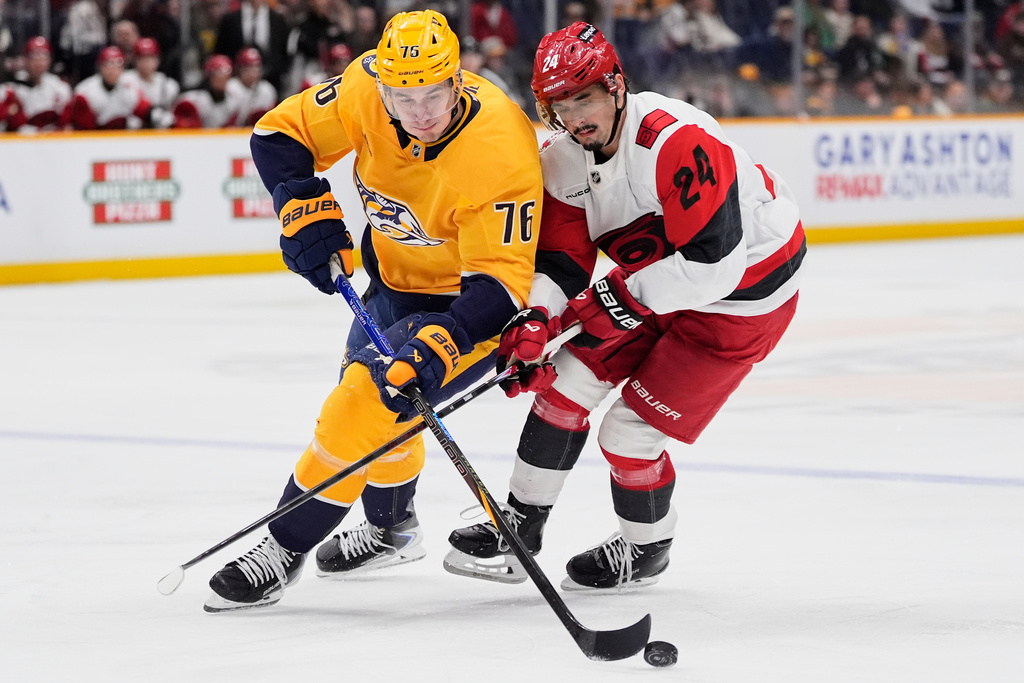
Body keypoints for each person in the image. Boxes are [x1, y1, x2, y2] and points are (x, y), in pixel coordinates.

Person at [444, 22, 805, 592]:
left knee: (628, 433)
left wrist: (619, 298)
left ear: (615, 85)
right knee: (563, 383)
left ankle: (646, 548)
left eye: (583, 98)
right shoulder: (562, 160)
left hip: (746, 294)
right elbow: (563, 264)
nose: (574, 117)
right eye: (560, 105)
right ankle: (520, 526)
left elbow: (713, 267)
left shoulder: (677, 140)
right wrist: (538, 320)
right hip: (660, 278)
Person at [203, 9, 543, 612]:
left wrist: (446, 340)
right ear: (382, 86)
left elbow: (504, 282)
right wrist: (301, 203)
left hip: (470, 310)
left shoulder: (500, 146)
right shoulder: (364, 85)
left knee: (361, 404)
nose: (418, 112)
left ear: (457, 79)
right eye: (401, 97)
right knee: (383, 409)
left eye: (432, 94)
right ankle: (392, 530)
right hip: (391, 281)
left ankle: (283, 546)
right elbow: (278, 135)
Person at [66, 46, 152, 129]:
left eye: (117, 65)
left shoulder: (130, 88)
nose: (112, 69)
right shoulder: (85, 92)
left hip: (122, 136)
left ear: (123, 68)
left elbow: (145, 112)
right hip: (95, 136)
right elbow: (85, 129)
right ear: (100, 67)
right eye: (107, 64)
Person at [2, 37, 73, 132]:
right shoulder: (11, 90)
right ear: (25, 59)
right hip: (21, 140)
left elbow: (66, 126)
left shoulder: (60, 88)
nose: (39, 61)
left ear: (50, 60)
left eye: (44, 56)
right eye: (34, 56)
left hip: (52, 139)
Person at [122, 37, 179, 128]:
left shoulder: (167, 84)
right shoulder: (126, 79)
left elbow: (171, 117)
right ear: (135, 60)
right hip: (131, 132)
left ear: (158, 60)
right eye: (142, 58)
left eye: (151, 58)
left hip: (159, 132)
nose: (147, 63)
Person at [226, 47, 277, 127]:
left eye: (256, 67)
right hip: (233, 131)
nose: (252, 71)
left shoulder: (267, 89)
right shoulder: (230, 87)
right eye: (248, 67)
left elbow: (273, 118)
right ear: (239, 69)